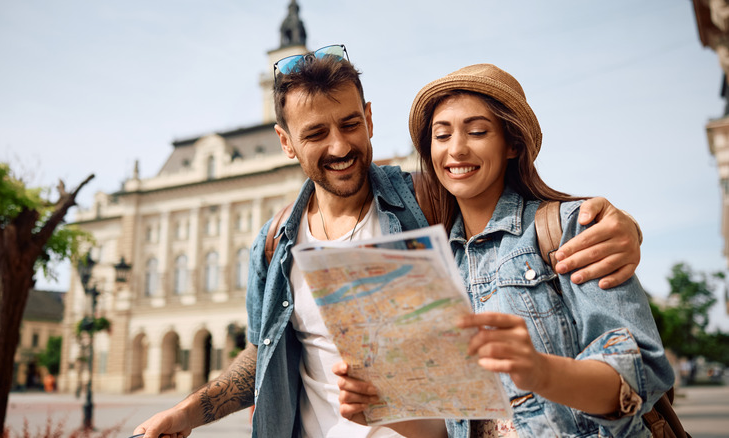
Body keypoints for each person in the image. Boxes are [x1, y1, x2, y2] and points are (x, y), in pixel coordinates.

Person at [134, 47, 644, 438]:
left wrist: (622, 227)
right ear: (286, 142)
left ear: (370, 119)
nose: (339, 145)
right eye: (315, 134)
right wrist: (188, 412)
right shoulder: (274, 242)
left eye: (350, 124)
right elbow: (264, 353)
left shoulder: (427, 200)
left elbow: (507, 211)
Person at [335, 63, 674, 437]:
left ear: (513, 144)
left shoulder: (571, 228)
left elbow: (643, 373)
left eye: (477, 131)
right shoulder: (439, 265)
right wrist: (381, 409)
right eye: (441, 135)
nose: (456, 149)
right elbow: (456, 425)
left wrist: (540, 371)